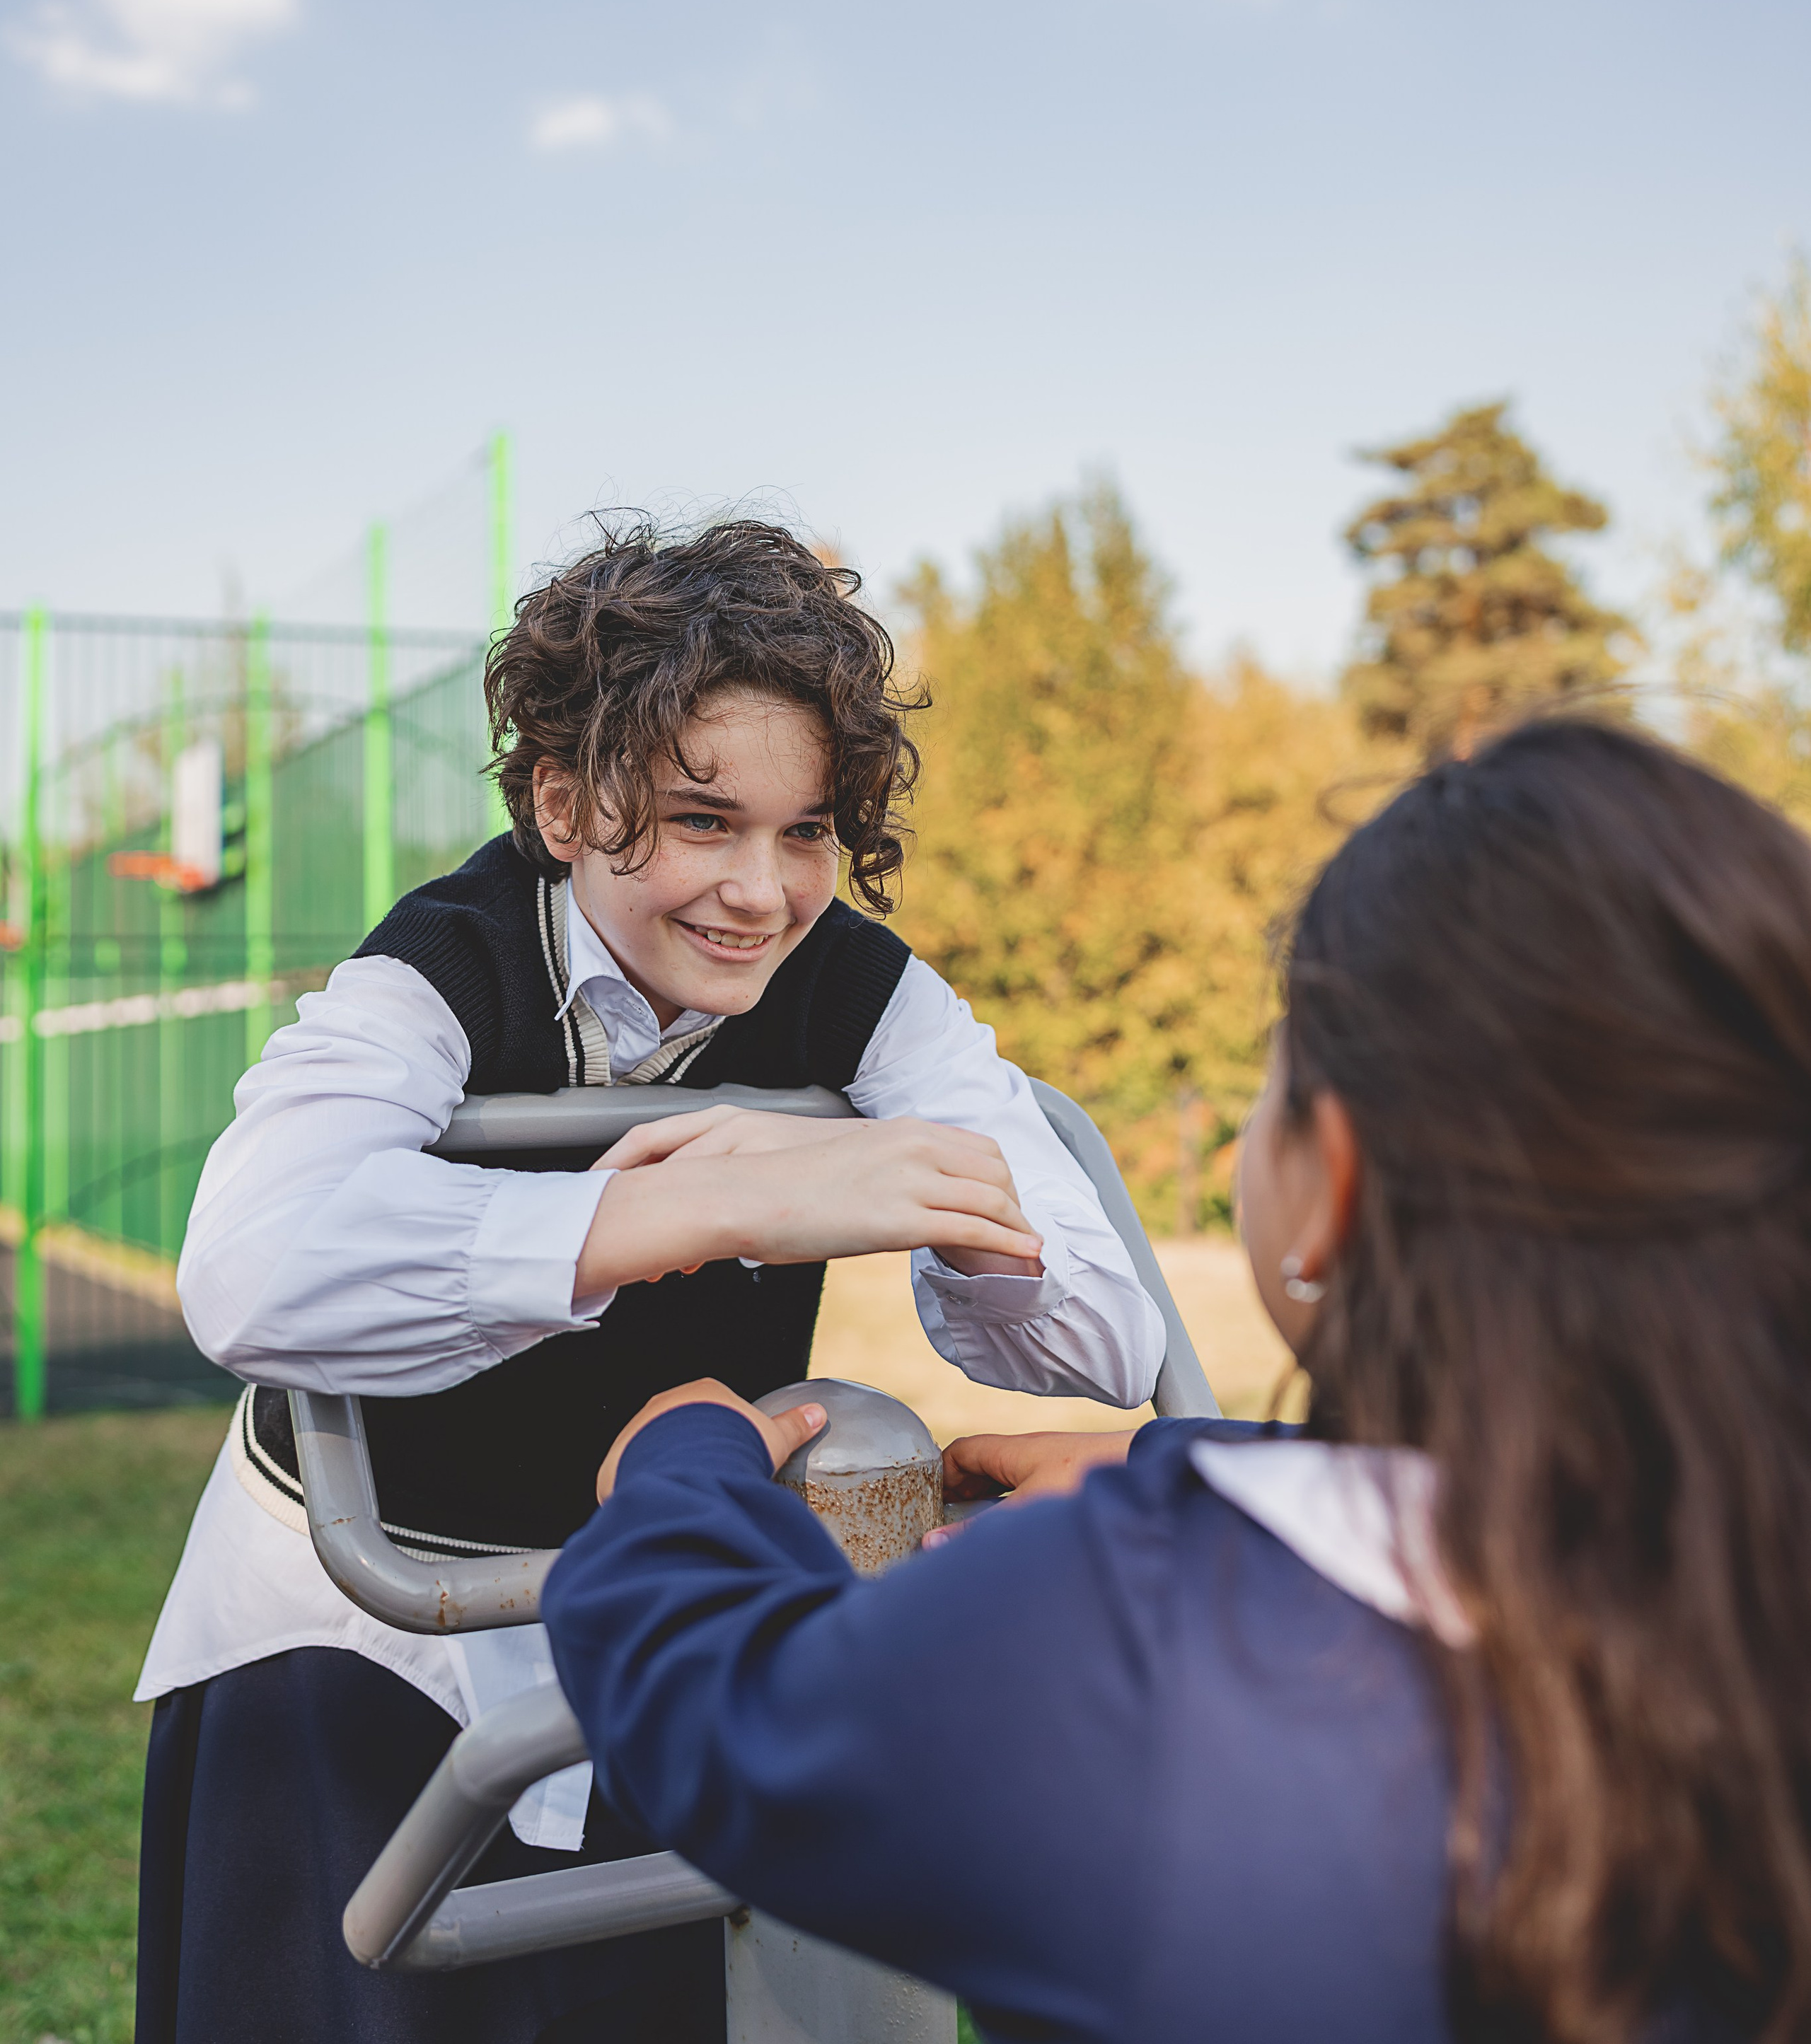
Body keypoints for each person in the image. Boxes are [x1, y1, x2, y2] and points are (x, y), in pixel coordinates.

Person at [544, 719, 1811, 2044]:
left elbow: (722, 1708)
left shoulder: (1120, 1641)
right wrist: (1197, 1472)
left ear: (1331, 1185)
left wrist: (679, 1472)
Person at [133, 518, 1164, 2044]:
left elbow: (1103, 1328)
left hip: (673, 1632)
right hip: (367, 1651)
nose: (760, 889)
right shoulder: (431, 968)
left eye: (804, 829)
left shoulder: (874, 997)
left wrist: (955, 1213)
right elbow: (248, 1260)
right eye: (700, 819)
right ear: (562, 798)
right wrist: (707, 1201)